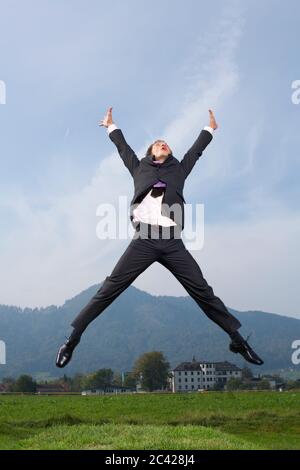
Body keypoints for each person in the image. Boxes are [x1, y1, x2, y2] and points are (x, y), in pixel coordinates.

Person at [56, 107, 264, 368]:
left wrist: (210, 129)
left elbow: (194, 152)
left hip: (171, 240)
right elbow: (124, 149)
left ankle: (238, 341)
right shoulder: (139, 168)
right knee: (109, 288)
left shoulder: (179, 170)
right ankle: (72, 340)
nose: (162, 144)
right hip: (144, 238)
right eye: (157, 143)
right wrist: (111, 126)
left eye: (165, 143)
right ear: (151, 153)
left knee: (202, 291)